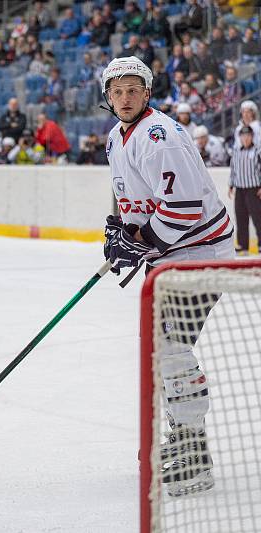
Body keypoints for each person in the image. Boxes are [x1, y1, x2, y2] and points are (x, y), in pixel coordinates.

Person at [101, 56, 234, 497]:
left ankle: (195, 455)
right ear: (108, 97)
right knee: (161, 349)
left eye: (132, 90)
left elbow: (182, 209)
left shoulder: (160, 138)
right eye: (117, 91)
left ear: (147, 93)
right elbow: (132, 198)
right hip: (172, 253)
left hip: (200, 252)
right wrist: (121, 231)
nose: (124, 98)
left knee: (170, 348)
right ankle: (184, 437)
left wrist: (141, 241)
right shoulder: (116, 138)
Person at [229, 125, 261, 255]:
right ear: (240, 137)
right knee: (240, 217)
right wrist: (230, 185)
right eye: (243, 136)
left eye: (248, 135)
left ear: (252, 137)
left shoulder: (258, 150)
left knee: (257, 217)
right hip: (240, 189)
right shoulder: (236, 151)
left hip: (254, 189)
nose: (245, 138)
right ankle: (243, 245)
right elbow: (233, 169)